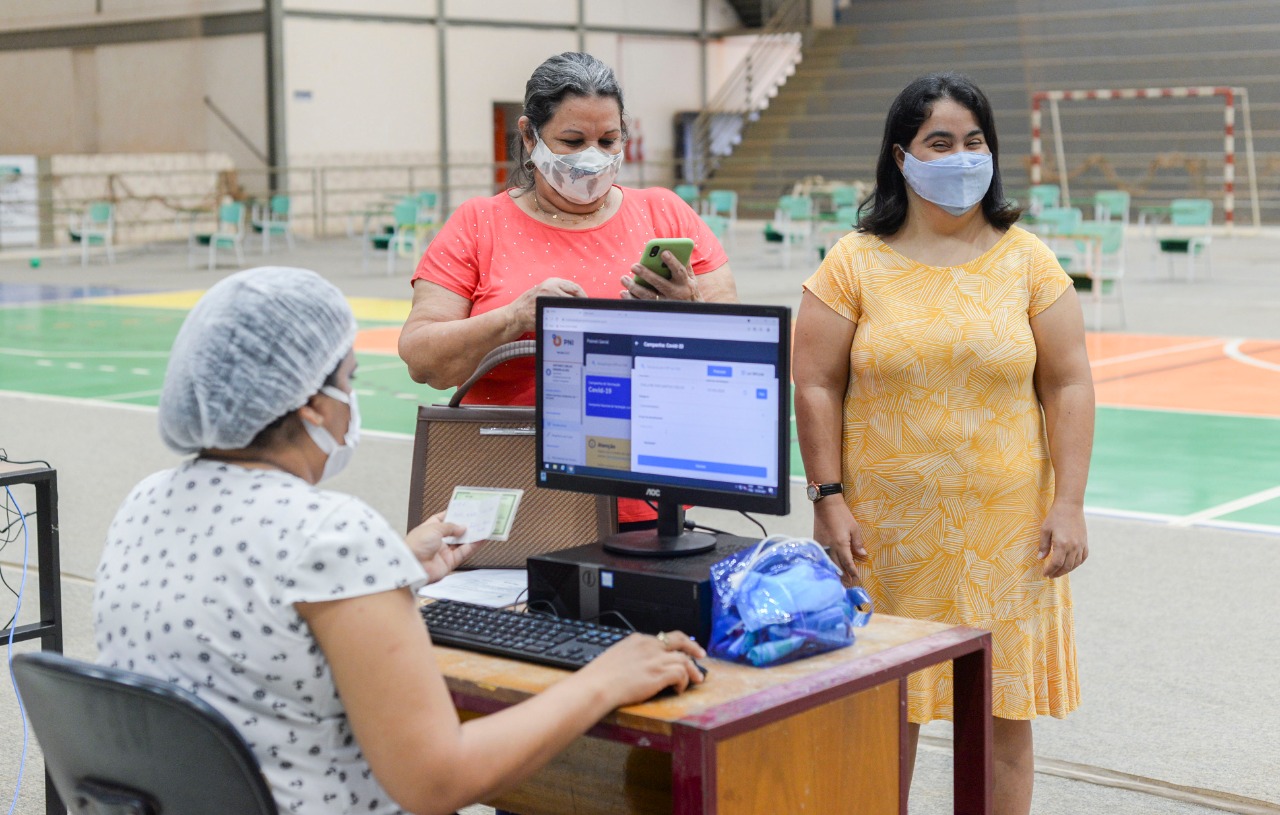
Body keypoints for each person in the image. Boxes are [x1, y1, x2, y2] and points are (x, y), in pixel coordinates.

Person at [93, 266, 706, 815]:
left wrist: (390, 569)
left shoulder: (144, 501)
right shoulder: (328, 534)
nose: (351, 403)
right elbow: (436, 780)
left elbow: (252, 614)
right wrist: (603, 678)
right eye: (349, 381)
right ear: (311, 405)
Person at [792, 73, 1094, 815]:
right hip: (884, 534)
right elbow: (815, 384)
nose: (960, 157)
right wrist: (828, 500)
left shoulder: (1028, 260)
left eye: (974, 141)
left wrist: (1071, 503)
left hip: (1007, 532)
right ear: (902, 156)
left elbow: (1070, 385)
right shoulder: (853, 262)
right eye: (939, 143)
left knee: (1000, 716)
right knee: (883, 711)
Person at [398, 51, 738, 529]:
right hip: (507, 486)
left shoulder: (666, 214)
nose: (593, 157)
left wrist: (686, 312)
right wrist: (513, 318)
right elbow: (422, 359)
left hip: (640, 490)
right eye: (573, 141)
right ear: (529, 136)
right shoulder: (479, 225)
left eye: (609, 139)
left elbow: (735, 353)